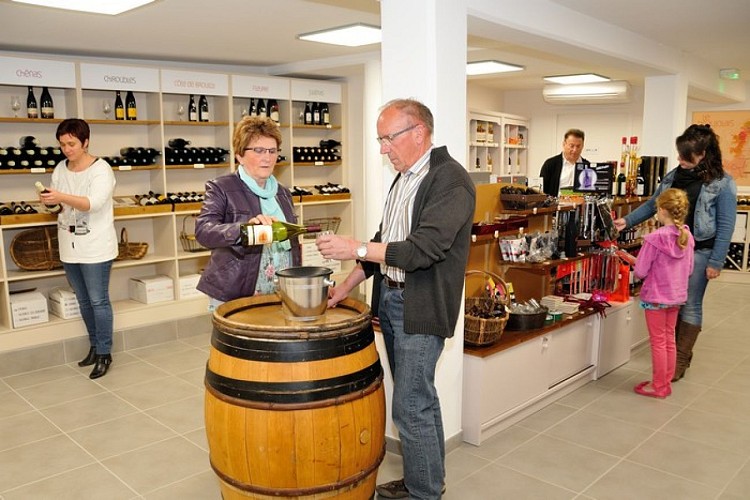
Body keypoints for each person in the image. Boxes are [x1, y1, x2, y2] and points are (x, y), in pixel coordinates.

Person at [316, 99, 475, 500]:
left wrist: (355, 247)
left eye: (388, 139)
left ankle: (423, 494)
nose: (384, 149)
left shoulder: (450, 182)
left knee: (409, 406)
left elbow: (422, 250)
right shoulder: (404, 177)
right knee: (420, 398)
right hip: (391, 300)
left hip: (419, 307)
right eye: (380, 140)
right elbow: (385, 242)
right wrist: (348, 284)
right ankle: (426, 480)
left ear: (418, 132)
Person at [615, 124, 737, 381]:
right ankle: (675, 354)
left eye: (685, 156)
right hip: (671, 250)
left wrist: (716, 261)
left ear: (703, 153)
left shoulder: (723, 183)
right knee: (673, 303)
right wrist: (626, 221)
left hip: (700, 250)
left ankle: (680, 358)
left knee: (690, 303)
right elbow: (654, 204)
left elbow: (726, 225)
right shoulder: (673, 176)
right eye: (679, 155)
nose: (680, 160)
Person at [195, 115, 301, 309]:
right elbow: (203, 231)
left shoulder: (283, 192)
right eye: (259, 150)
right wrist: (244, 230)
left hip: (280, 290)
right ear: (240, 155)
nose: (267, 157)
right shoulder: (221, 188)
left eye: (272, 150)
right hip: (237, 290)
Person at [40, 118, 117, 379]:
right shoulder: (61, 169)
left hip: (96, 246)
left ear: (85, 142)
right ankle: (94, 347)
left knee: (98, 301)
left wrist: (60, 197)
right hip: (69, 245)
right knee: (84, 301)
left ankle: (105, 352)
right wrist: (51, 203)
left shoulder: (101, 170)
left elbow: (92, 204)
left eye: (72, 144)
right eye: (62, 145)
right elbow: (62, 207)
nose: (67, 149)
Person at [632, 189, 694, 398]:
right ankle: (665, 382)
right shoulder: (687, 236)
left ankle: (658, 386)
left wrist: (634, 262)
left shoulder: (654, 239)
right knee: (669, 339)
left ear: (661, 210)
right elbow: (690, 268)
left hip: (656, 297)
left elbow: (641, 272)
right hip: (676, 296)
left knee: (657, 341)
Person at [539, 128, 588, 196]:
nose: (575, 150)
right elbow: (542, 191)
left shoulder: (587, 166)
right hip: (556, 205)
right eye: (572, 146)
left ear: (582, 146)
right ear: (564, 144)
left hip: (580, 205)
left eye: (578, 146)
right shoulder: (550, 164)